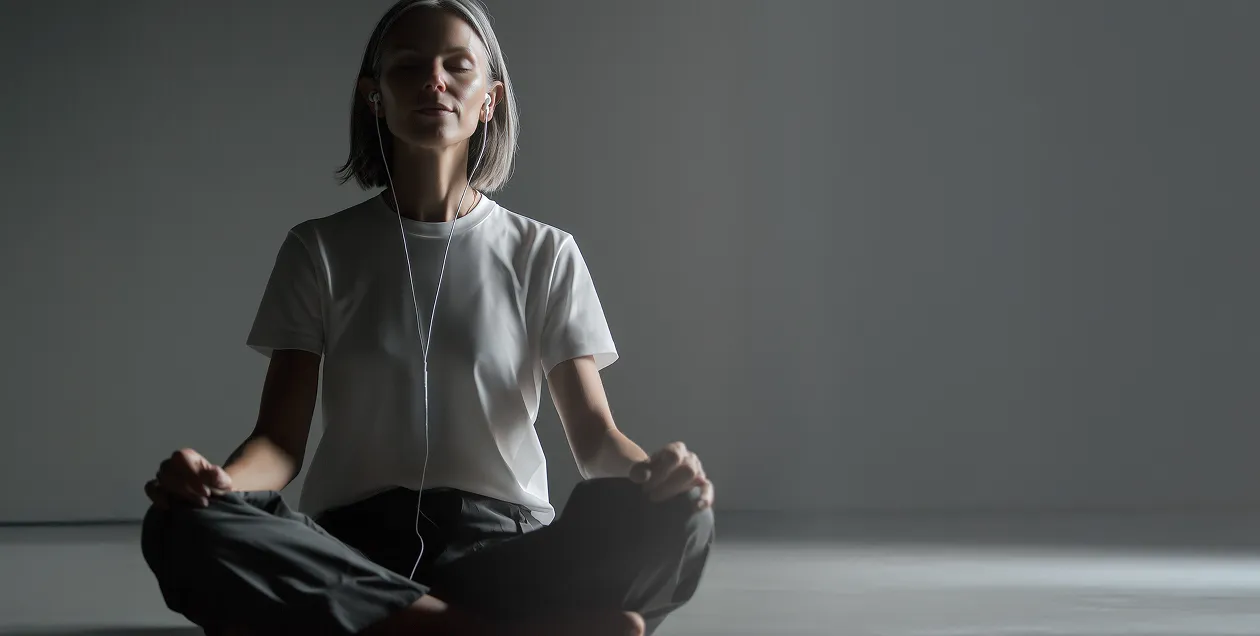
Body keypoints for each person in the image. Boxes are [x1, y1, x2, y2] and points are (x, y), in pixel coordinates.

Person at [139, 1, 714, 635]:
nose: (433, 81)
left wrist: (655, 476)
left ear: (488, 99)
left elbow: (596, 438)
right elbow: (278, 443)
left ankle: (407, 626)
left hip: (504, 549)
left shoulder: (544, 252)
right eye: (409, 67)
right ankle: (495, 631)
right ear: (374, 98)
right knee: (179, 523)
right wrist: (218, 487)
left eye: (455, 66)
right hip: (351, 552)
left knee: (683, 516)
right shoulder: (318, 249)